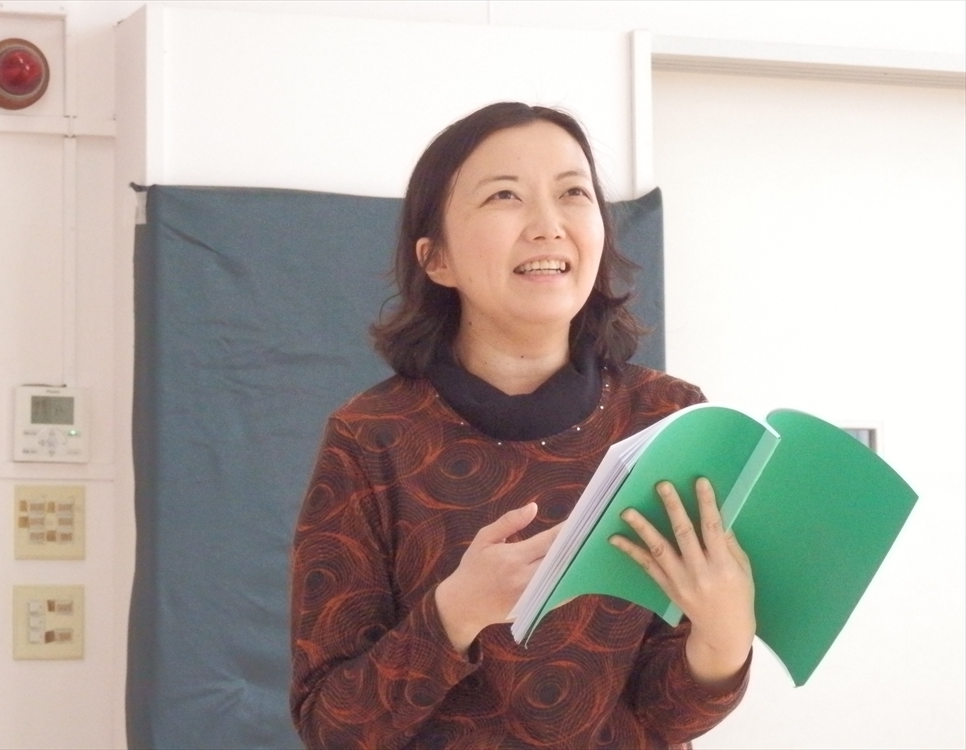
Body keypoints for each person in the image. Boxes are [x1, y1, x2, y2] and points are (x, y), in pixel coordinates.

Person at [290, 102, 755, 749]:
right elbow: (330, 727)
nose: (548, 225)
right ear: (436, 259)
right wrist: (455, 614)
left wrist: (725, 635)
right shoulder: (370, 437)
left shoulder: (670, 417)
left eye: (573, 193)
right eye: (505, 195)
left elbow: (665, 718)